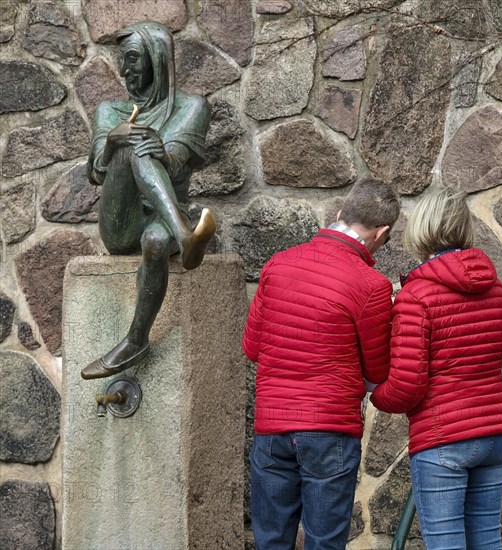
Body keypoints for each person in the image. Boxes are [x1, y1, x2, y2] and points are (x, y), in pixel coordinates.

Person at [242, 178, 400, 549]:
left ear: (341, 212)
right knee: (325, 542)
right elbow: (378, 371)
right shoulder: (371, 285)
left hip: (272, 426)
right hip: (330, 430)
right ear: (382, 232)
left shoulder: (278, 264)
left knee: (270, 541)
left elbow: (252, 347)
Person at [370, 187, 502, 550]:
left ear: (421, 227)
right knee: (487, 541)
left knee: (445, 544)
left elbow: (407, 386)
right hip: (496, 432)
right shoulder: (497, 291)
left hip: (444, 438)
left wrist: (375, 393)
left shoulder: (415, 297)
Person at [81, 22, 216, 380]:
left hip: (160, 216)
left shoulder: (192, 107)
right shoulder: (110, 110)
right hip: (122, 222)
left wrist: (164, 153)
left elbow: (177, 161)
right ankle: (186, 235)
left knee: (156, 242)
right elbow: (96, 174)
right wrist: (111, 142)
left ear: (157, 61)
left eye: (133, 60)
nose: (125, 71)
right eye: (122, 62)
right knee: (132, 143)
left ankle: (136, 340)